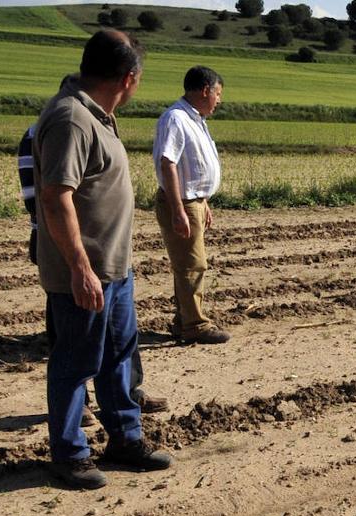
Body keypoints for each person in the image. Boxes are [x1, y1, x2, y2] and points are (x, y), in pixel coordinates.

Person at [33, 29, 172, 489]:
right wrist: (79, 268)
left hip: (114, 269)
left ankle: (125, 439)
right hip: (85, 273)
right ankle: (70, 455)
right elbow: (55, 198)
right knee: (76, 363)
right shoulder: (71, 118)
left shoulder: (98, 114)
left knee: (119, 357)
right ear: (128, 78)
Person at [19, 123, 168, 425]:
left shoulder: (99, 126)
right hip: (63, 239)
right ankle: (81, 404)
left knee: (118, 329)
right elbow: (41, 195)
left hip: (105, 244)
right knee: (69, 324)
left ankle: (128, 389)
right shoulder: (55, 129)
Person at [153, 65, 229, 344]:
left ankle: (183, 319)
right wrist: (178, 209)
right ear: (205, 90)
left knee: (188, 264)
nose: (219, 100)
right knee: (192, 266)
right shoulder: (175, 118)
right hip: (182, 203)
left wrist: (204, 200)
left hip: (193, 201)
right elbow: (168, 163)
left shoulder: (194, 119)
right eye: (218, 93)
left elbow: (191, 167)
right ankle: (195, 325)